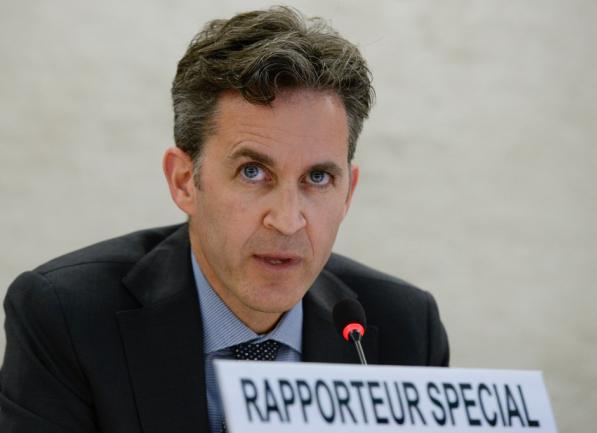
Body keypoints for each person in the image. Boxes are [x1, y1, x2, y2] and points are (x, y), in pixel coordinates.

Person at [0, 6, 449, 433]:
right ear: (184, 181)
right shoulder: (68, 317)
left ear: (347, 192)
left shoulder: (406, 329)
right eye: (253, 172)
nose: (288, 221)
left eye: (317, 177)